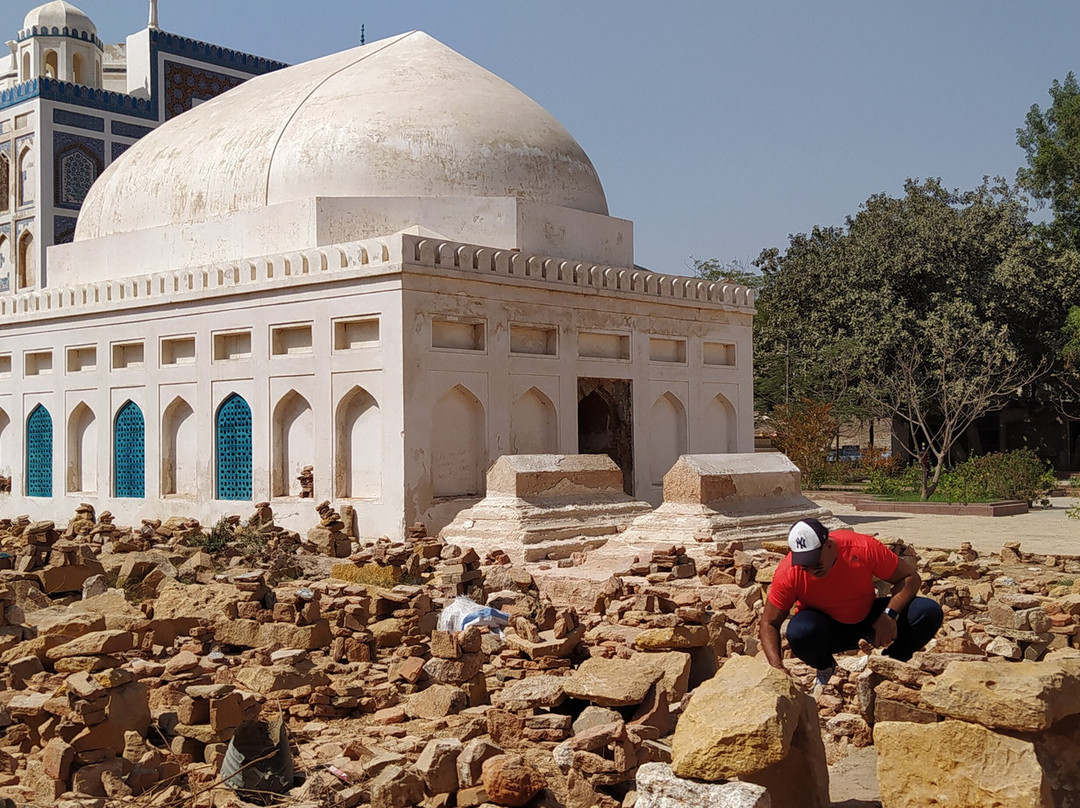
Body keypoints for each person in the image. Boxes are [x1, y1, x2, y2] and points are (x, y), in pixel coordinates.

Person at [760, 518, 943, 687]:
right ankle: (825, 667)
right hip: (825, 630)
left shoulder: (861, 547)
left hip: (870, 620)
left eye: (815, 563)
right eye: (804, 565)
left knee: (928, 611)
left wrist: (889, 615)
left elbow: (910, 577)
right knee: (799, 632)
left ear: (829, 545)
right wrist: (777, 667)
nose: (811, 570)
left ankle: (890, 663)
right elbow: (769, 623)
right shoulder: (789, 572)